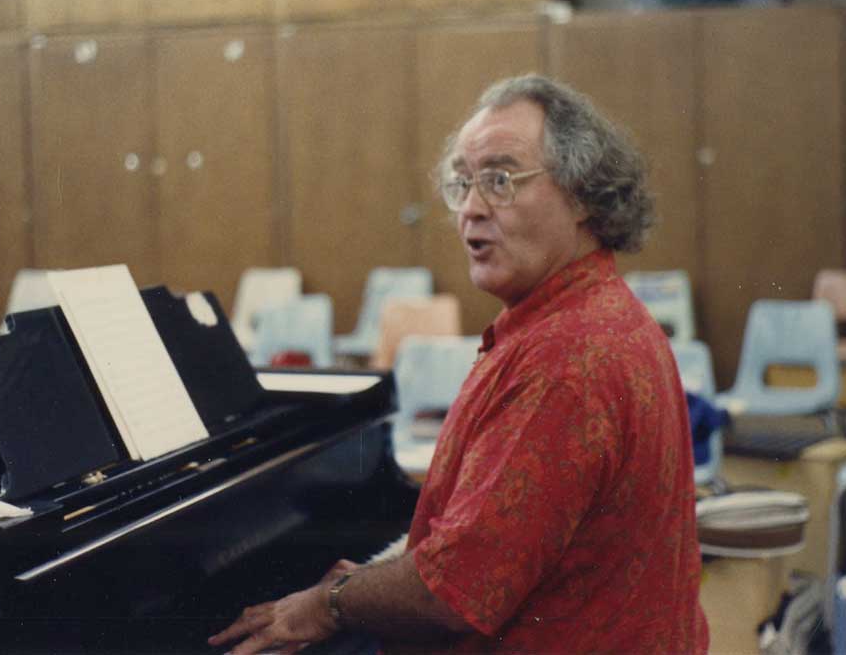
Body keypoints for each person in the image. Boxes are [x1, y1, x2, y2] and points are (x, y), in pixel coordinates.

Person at [210, 74, 708, 654]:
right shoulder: (586, 316)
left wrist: (331, 602)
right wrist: (382, 577)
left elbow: (450, 597)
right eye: (463, 183)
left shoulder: (565, 359)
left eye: (500, 180)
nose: (471, 209)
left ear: (582, 197)